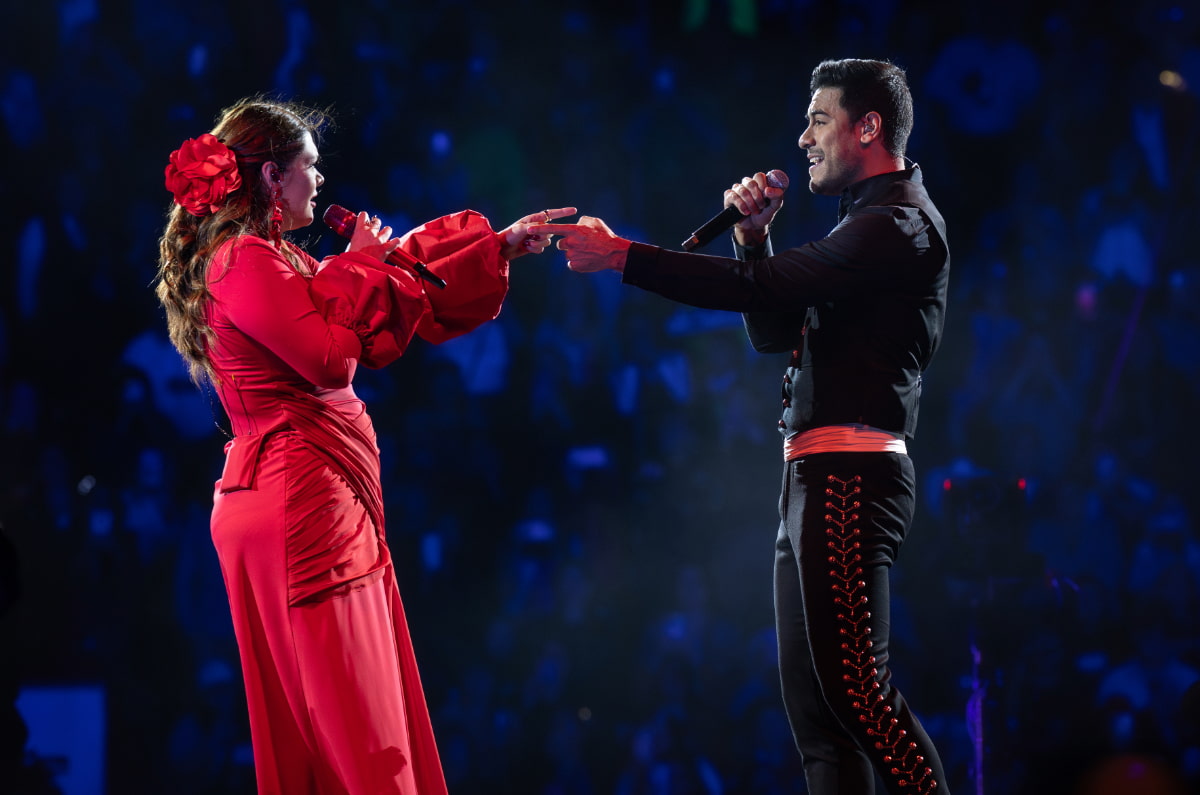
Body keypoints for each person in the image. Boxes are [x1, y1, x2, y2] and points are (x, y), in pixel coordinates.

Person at [534, 59, 951, 794]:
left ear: (868, 127)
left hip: (853, 477)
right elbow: (771, 328)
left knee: (862, 698)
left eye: (818, 120)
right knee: (819, 719)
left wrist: (623, 255)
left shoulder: (899, 224)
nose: (803, 138)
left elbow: (758, 293)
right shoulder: (863, 224)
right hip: (814, 478)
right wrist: (753, 237)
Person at [154, 96, 574, 795]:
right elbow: (331, 357)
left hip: (314, 496)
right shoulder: (241, 262)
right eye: (308, 167)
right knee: (358, 730)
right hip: (299, 508)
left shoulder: (275, 257)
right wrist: (363, 265)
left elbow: (383, 284)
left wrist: (493, 245)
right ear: (269, 178)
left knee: (354, 719)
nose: (319, 180)